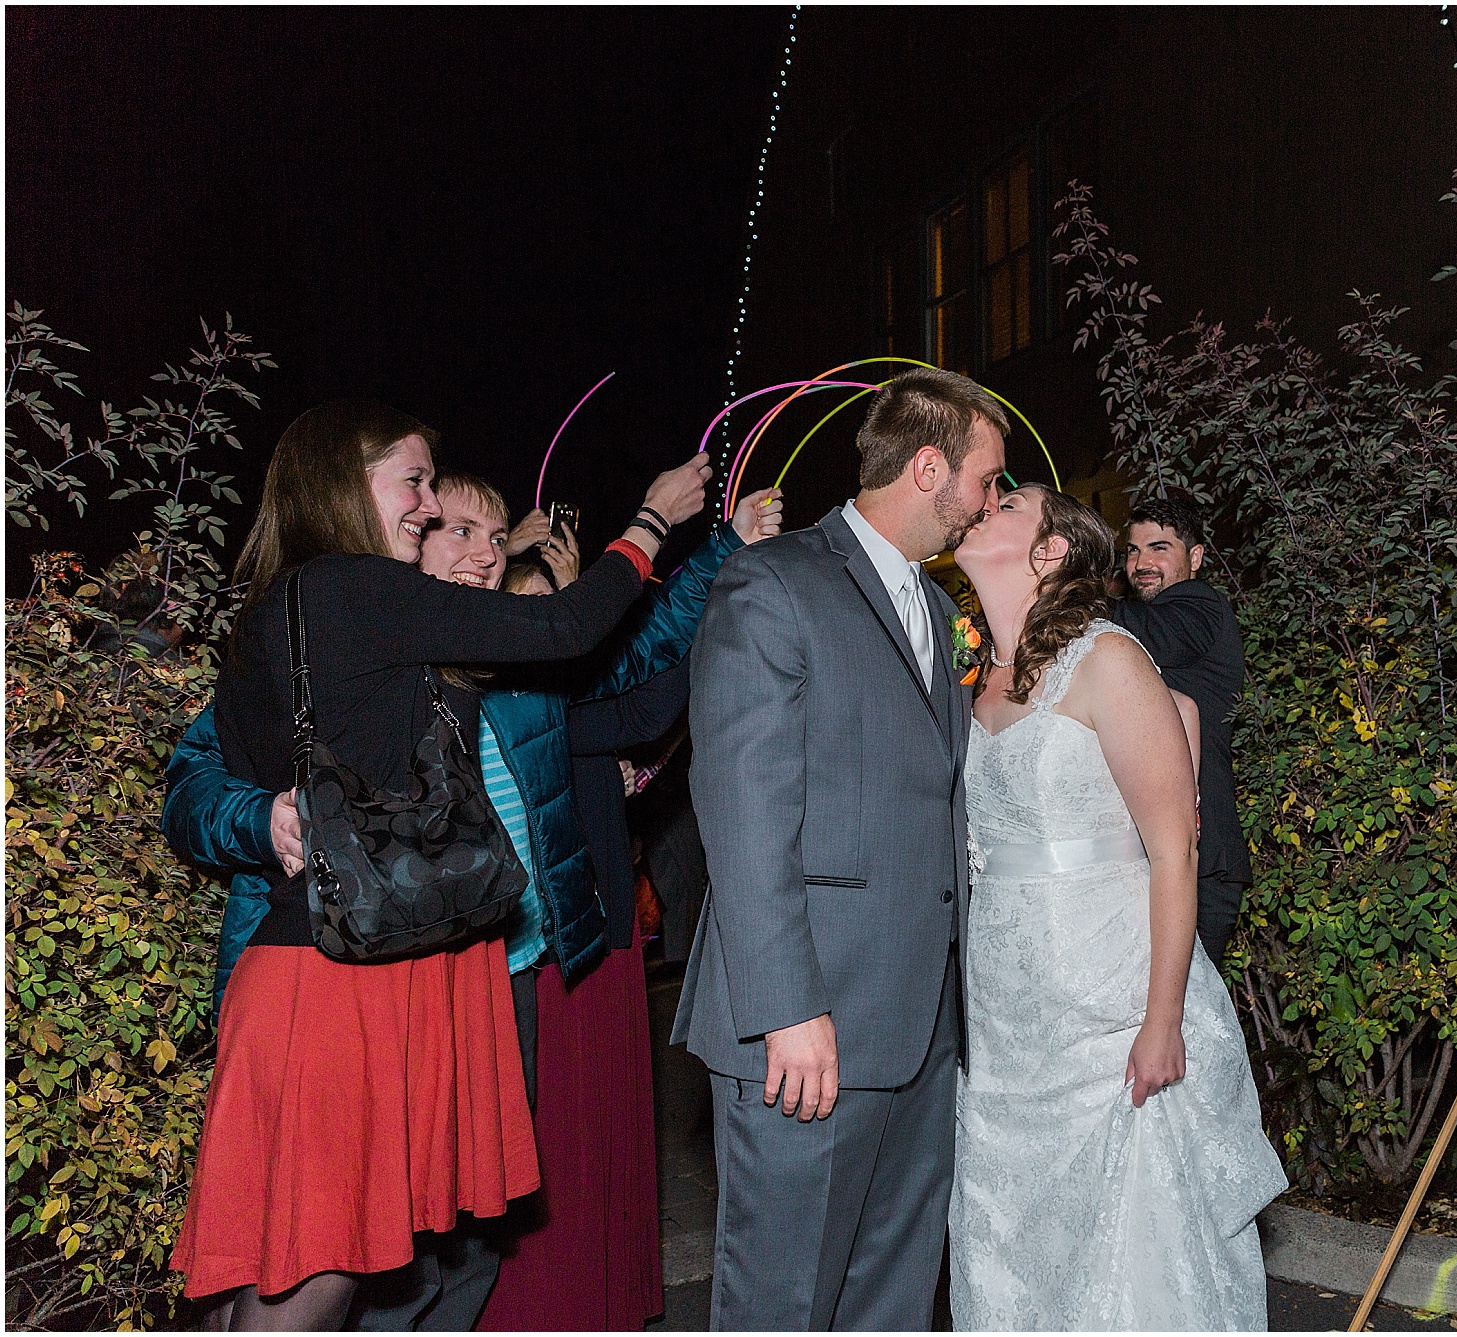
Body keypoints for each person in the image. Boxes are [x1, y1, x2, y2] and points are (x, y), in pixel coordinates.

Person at [163, 469, 776, 1330]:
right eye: (452, 531)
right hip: (343, 977)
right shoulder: (328, 649)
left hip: (487, 974)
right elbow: (191, 782)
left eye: (498, 540)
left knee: (462, 1237)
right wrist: (257, 817)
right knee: (334, 1243)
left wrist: (722, 548)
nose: (485, 557)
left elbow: (633, 654)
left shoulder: (498, 659)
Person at [673, 367, 1008, 1330]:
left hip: (922, 1027)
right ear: (929, 465)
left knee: (891, 1302)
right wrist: (788, 1006)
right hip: (807, 1025)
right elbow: (742, 810)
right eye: (985, 479)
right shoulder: (772, 582)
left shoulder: (943, 616)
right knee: (783, 1301)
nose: (989, 502)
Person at [948, 483, 1286, 1330]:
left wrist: (1163, 1016)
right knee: (1014, 1227)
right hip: (1004, 1012)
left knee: (1133, 1244)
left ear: (1052, 550)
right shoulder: (973, 682)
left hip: (1111, 996)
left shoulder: (1107, 659)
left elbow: (1175, 849)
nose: (985, 504)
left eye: (1008, 501)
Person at [1111, 494, 1253, 964]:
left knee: (1185, 1020)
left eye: (1159, 548)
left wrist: (1057, 589)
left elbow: (1142, 631)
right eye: (1132, 550)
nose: (1141, 562)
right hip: (1157, 854)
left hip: (1200, 858)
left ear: (1195, 557)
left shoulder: (1200, 606)